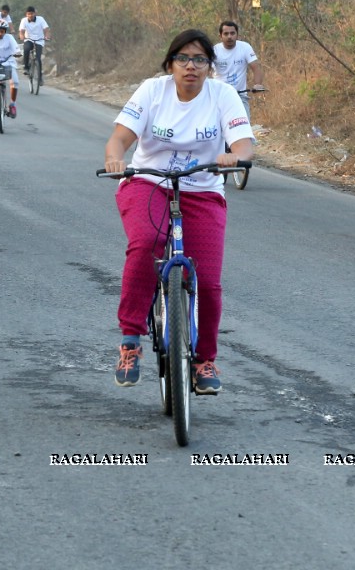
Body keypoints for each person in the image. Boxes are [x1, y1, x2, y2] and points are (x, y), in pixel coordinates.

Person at [102, 29, 254, 393]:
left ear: (209, 67)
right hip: (147, 183)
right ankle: (131, 341)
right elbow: (121, 137)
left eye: (200, 60)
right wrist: (114, 159)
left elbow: (244, 143)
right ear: (170, 64)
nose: (191, 66)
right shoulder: (153, 91)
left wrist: (235, 156)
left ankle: (204, 361)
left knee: (209, 281)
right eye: (183, 59)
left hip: (202, 188)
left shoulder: (223, 95)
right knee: (147, 242)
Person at [211, 20, 266, 120]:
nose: (229, 36)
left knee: (245, 126)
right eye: (226, 34)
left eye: (232, 33)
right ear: (220, 36)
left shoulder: (245, 47)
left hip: (240, 96)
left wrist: (258, 84)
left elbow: (256, 68)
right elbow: (205, 70)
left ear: (237, 35)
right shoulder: (214, 51)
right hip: (219, 97)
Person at [18, 6, 50, 86]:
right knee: (26, 49)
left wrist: (47, 35)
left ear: (35, 14)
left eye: (32, 14)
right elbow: (21, 31)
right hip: (29, 39)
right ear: (26, 14)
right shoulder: (24, 20)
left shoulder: (41, 19)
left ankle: (40, 78)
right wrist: (22, 36)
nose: (30, 15)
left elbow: (46, 29)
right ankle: (26, 67)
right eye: (29, 14)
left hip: (39, 40)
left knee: (38, 59)